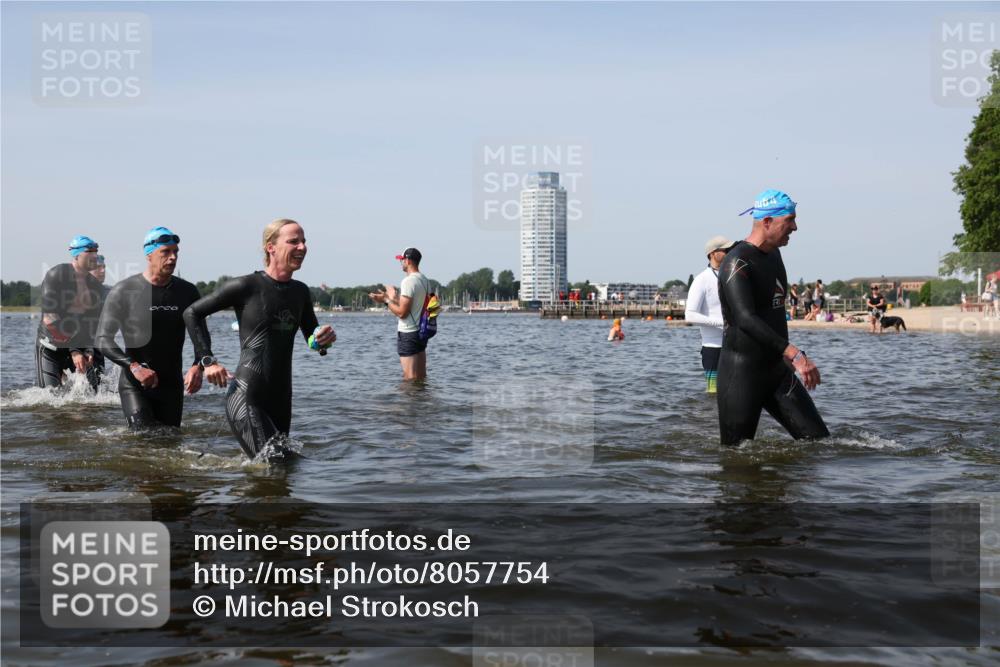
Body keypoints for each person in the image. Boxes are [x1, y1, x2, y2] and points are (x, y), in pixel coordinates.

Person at [183, 219, 335, 459]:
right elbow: (191, 312)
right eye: (294, 241)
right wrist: (207, 361)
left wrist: (322, 340)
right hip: (246, 396)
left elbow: (311, 338)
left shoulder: (300, 291)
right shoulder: (246, 286)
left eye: (304, 241)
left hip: (281, 398)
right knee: (274, 467)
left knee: (282, 475)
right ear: (270, 247)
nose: (303, 247)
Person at [717, 189, 829, 446]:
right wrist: (795, 354)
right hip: (741, 374)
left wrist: (785, 357)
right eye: (789, 220)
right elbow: (745, 318)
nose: (795, 227)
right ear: (767, 221)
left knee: (819, 444)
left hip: (776, 371)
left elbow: (774, 312)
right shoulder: (737, 262)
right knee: (737, 459)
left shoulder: (774, 255)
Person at [96, 228, 204, 429]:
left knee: (169, 443)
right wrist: (134, 367)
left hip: (172, 385)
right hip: (135, 383)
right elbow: (103, 339)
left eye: (176, 252)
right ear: (149, 255)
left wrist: (199, 365)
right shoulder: (124, 291)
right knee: (143, 441)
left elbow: (201, 335)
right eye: (166, 252)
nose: (173, 258)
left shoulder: (187, 292)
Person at [35, 235, 105, 390]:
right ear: (76, 254)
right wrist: (74, 349)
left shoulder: (96, 286)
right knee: (49, 399)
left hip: (77, 343)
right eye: (90, 251)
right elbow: (50, 319)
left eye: (96, 251)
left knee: (93, 398)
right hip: (51, 345)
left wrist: (88, 347)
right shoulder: (56, 275)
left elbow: (92, 323)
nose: (95, 255)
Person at [368, 247, 431, 381]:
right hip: (422, 332)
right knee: (421, 378)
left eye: (401, 260)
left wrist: (386, 300)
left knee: (409, 378)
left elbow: (402, 313)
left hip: (409, 334)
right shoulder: (425, 280)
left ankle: (407, 402)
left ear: (407, 261)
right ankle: (422, 402)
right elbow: (412, 305)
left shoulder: (408, 281)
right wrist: (390, 297)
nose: (401, 262)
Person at [685, 236, 734, 393]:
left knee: (737, 393)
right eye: (725, 250)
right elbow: (690, 316)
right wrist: (722, 322)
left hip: (736, 345)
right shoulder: (701, 280)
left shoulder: (733, 275)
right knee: (714, 395)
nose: (730, 252)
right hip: (713, 348)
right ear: (713, 253)